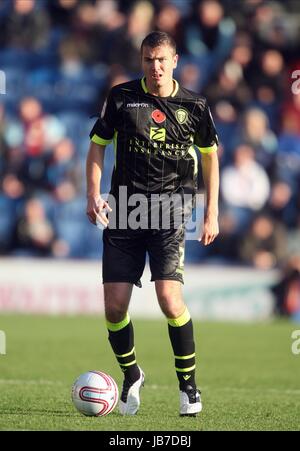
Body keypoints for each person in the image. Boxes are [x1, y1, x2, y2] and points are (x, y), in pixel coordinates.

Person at [86, 31, 219, 416]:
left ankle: (188, 389)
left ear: (175, 60)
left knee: (168, 299)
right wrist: (92, 193)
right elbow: (97, 144)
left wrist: (211, 211)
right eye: (148, 59)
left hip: (171, 212)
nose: (155, 67)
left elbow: (210, 156)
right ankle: (131, 376)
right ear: (141, 60)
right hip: (125, 210)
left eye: (161, 59)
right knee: (113, 307)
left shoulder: (194, 106)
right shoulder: (122, 98)